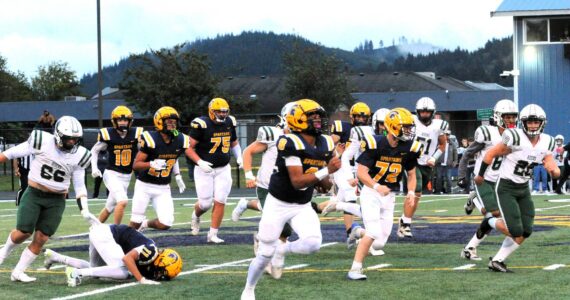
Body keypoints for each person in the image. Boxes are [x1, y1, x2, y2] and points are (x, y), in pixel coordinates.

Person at [240, 99, 340, 300]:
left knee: (313, 243)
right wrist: (326, 170)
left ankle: (282, 249)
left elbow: (324, 182)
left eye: (319, 115)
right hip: (278, 203)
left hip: (302, 204)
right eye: (312, 116)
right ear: (298, 120)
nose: (318, 120)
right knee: (264, 254)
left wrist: (327, 181)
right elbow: (297, 181)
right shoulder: (289, 141)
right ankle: (249, 289)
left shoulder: (326, 142)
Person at [0, 116, 95, 282]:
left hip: (57, 200)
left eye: (75, 139)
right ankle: (2, 254)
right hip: (35, 194)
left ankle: (18, 272)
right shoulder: (41, 140)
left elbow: (80, 186)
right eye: (69, 139)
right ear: (58, 135)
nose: (72, 142)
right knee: (23, 232)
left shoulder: (80, 155)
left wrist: (85, 209)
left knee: (42, 237)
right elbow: (11, 153)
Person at [474, 104, 559, 272]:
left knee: (526, 231)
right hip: (506, 187)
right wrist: (480, 175)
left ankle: (497, 260)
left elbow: (550, 161)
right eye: (530, 122)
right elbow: (490, 154)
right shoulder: (515, 137)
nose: (533, 125)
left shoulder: (547, 141)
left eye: (536, 122)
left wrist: (554, 171)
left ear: (543, 123)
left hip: (523, 188)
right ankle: (489, 221)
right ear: (523, 123)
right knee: (515, 230)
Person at [458, 99, 518, 260]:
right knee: (496, 215)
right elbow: (467, 154)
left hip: (500, 184)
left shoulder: (516, 136)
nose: (511, 120)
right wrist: (462, 176)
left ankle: (469, 248)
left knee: (490, 217)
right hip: (482, 180)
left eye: (513, 117)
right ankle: (475, 197)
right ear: (498, 117)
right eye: (507, 117)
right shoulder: (488, 133)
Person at [44, 223, 182, 286]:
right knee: (123, 272)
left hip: (101, 232)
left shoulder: (151, 253)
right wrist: (141, 279)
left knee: (96, 269)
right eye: (162, 271)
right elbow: (127, 259)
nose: (159, 275)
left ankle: (55, 257)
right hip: (105, 235)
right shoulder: (151, 251)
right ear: (161, 260)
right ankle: (76, 273)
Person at [188, 98, 243, 244]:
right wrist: (199, 161)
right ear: (212, 112)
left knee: (220, 201)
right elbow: (188, 148)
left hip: (223, 168)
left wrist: (240, 157)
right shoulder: (202, 124)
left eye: (225, 111)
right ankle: (196, 214)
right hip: (204, 169)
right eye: (219, 111)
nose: (223, 114)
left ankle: (212, 235)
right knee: (205, 204)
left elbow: (234, 143)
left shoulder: (230, 122)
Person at [129, 106, 188, 231]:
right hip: (144, 185)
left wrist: (177, 175)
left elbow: (174, 157)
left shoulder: (180, 139)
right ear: (159, 122)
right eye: (168, 121)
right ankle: (123, 243)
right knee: (135, 221)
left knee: (166, 223)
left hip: (163, 188)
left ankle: (145, 224)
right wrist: (151, 164)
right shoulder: (151, 139)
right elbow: (136, 165)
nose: (172, 124)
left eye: (174, 121)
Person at [398, 97, 448, 238]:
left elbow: (443, 145)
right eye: (422, 112)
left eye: (427, 112)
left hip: (427, 163)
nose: (424, 115)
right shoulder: (411, 121)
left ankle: (403, 219)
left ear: (433, 113)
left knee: (418, 195)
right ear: (417, 111)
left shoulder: (439, 125)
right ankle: (406, 224)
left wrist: (434, 157)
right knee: (416, 189)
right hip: (411, 160)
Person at [91, 106, 144, 224]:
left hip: (126, 176)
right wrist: (94, 168)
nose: (123, 122)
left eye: (125, 120)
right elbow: (94, 150)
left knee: (109, 207)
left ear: (130, 121)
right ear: (114, 121)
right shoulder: (108, 134)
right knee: (123, 201)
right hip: (112, 174)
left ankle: (94, 228)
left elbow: (144, 151)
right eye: (120, 120)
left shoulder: (136, 135)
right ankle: (117, 232)